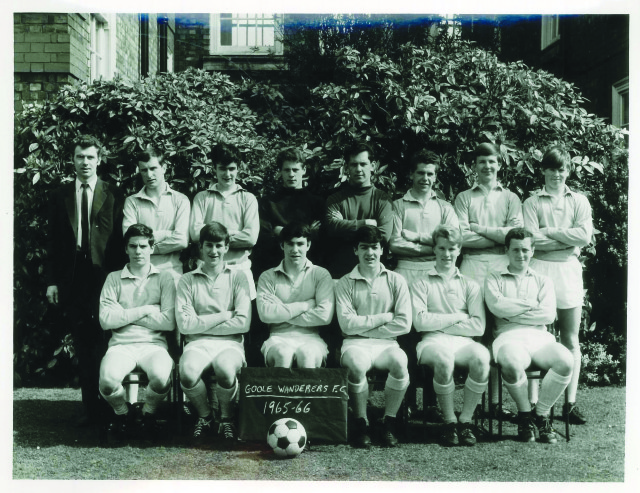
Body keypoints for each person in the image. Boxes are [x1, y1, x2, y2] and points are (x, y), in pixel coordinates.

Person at [44, 135, 125, 426]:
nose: (85, 162)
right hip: (73, 278)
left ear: (99, 160)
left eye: (90, 157)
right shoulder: (60, 196)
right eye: (80, 157)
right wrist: (52, 281)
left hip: (104, 278)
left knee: (105, 341)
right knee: (83, 343)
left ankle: (112, 408)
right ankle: (91, 410)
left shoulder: (114, 194)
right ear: (72, 160)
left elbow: (118, 241)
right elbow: (53, 242)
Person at [523, 146, 593, 425]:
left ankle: (569, 403)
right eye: (551, 168)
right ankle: (531, 404)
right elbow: (530, 240)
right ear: (543, 171)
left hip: (568, 270)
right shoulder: (531, 203)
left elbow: (584, 236)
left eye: (561, 169)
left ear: (568, 171)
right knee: (535, 335)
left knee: (570, 338)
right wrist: (566, 238)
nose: (556, 174)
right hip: (538, 268)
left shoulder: (579, 201)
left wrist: (549, 232)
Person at [454, 142, 524, 417]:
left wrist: (479, 229)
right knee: (476, 331)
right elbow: (460, 236)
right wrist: (497, 234)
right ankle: (477, 403)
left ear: (499, 164)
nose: (487, 166)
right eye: (481, 162)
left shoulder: (510, 198)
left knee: (498, 329)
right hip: (471, 264)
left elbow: (514, 236)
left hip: (500, 264)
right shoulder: (463, 198)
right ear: (474, 166)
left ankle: (495, 403)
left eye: (492, 162)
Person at [485, 228, 573, 444]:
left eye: (525, 250)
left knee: (566, 361)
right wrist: (531, 306)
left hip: (540, 338)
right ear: (506, 250)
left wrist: (513, 311)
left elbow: (548, 314)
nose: (520, 255)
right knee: (510, 362)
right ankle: (525, 415)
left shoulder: (544, 281)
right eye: (515, 250)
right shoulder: (494, 277)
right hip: (508, 338)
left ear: (533, 250)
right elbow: (497, 307)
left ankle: (540, 415)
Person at [389, 149, 460, 419]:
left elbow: (452, 243)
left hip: (435, 275)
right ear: (411, 173)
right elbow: (394, 243)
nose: (425, 178)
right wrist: (430, 246)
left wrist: (415, 238)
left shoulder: (444, 207)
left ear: (436, 176)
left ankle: (431, 401)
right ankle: (407, 400)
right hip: (406, 273)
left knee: (432, 335)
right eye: (421, 172)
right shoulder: (398, 205)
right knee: (407, 336)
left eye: (430, 173)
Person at [335, 226, 411, 448]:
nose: (370, 253)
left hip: (387, 344)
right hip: (354, 344)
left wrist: (365, 327)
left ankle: (388, 422)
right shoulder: (345, 282)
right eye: (364, 247)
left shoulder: (397, 280)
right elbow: (347, 325)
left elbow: (404, 324)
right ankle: (362, 423)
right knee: (357, 365)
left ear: (382, 250)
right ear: (355, 251)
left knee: (400, 362)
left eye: (374, 247)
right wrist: (385, 316)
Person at [412, 225, 488, 446]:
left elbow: (478, 327)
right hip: (431, 342)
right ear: (434, 249)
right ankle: (449, 423)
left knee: (482, 358)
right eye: (442, 248)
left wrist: (439, 322)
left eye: (451, 248)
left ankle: (465, 421)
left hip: (463, 342)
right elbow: (420, 322)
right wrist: (458, 317)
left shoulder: (470, 285)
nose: (446, 254)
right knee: (444, 359)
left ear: (459, 250)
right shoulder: (420, 282)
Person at [98, 224, 176, 438]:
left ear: (152, 248)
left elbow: (169, 322)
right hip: (121, 346)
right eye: (133, 246)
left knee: (161, 377)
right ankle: (123, 414)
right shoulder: (113, 278)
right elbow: (106, 320)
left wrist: (124, 316)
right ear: (126, 249)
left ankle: (147, 414)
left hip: (154, 346)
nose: (138, 251)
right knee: (106, 381)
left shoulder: (165, 278)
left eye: (143, 246)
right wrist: (146, 310)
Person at [176, 222, 251, 443]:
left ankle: (226, 419)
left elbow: (243, 323)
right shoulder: (187, 279)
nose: (213, 251)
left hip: (230, 343)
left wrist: (200, 321)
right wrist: (225, 315)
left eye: (219, 245)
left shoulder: (239, 277)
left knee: (225, 369)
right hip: (197, 343)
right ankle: (206, 417)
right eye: (208, 245)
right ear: (201, 247)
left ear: (227, 247)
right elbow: (185, 326)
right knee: (187, 372)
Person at [256, 222, 334, 368]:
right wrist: (306, 305)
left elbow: (324, 316)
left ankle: (307, 392)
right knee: (283, 354)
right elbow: (266, 315)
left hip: (312, 338)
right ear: (282, 246)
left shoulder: (320, 274)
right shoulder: (267, 276)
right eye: (290, 244)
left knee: (307, 354)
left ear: (308, 245)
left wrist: (281, 310)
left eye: (300, 244)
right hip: (277, 338)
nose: (295, 249)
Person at [189, 143, 259, 299]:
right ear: (214, 168)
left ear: (238, 168)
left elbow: (251, 238)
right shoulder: (202, 198)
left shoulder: (248, 199)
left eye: (232, 169)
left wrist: (210, 234)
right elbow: (195, 234)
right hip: (207, 271)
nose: (227, 174)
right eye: (222, 168)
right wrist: (234, 234)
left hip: (239, 269)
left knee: (242, 320)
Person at [324, 142, 393, 279]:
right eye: (353, 164)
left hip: (374, 275)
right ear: (346, 168)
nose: (358, 169)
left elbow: (384, 235)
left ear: (372, 166)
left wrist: (344, 225)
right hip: (340, 273)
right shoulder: (335, 199)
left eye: (363, 164)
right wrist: (366, 223)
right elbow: (330, 229)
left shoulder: (383, 199)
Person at [123, 146, 190, 283]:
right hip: (140, 276)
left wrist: (145, 247)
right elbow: (129, 239)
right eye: (144, 170)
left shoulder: (180, 200)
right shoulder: (132, 202)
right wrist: (166, 234)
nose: (149, 175)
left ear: (164, 168)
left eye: (153, 168)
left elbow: (182, 240)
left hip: (173, 275)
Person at [254, 147, 325, 277]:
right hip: (275, 268)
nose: (291, 174)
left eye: (295, 170)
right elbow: (264, 236)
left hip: (309, 271)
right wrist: (307, 231)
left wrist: (280, 231)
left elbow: (321, 238)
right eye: (287, 170)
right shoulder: (268, 203)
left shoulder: (317, 203)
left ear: (304, 170)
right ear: (280, 171)